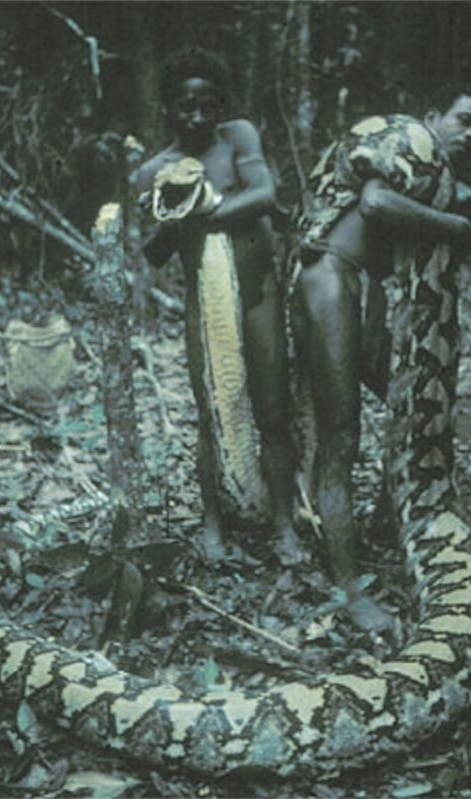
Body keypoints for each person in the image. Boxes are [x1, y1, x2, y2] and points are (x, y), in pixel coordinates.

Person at [291, 94, 471, 582]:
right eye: (463, 121)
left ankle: (391, 517)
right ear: (430, 118)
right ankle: (348, 587)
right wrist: (454, 226)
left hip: (361, 291)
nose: (470, 137)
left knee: (409, 410)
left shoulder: (435, 185)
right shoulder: (405, 146)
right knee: (341, 438)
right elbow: (374, 203)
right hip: (330, 280)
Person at [136, 49, 303, 565]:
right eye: (186, 107)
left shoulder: (239, 137)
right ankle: (214, 525)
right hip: (204, 303)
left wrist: (200, 209)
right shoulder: (155, 169)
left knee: (272, 408)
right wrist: (171, 212)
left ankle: (283, 524)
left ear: (222, 106)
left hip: (258, 293)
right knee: (211, 409)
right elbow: (153, 249)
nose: (198, 117)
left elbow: (264, 195)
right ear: (168, 108)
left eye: (209, 105)